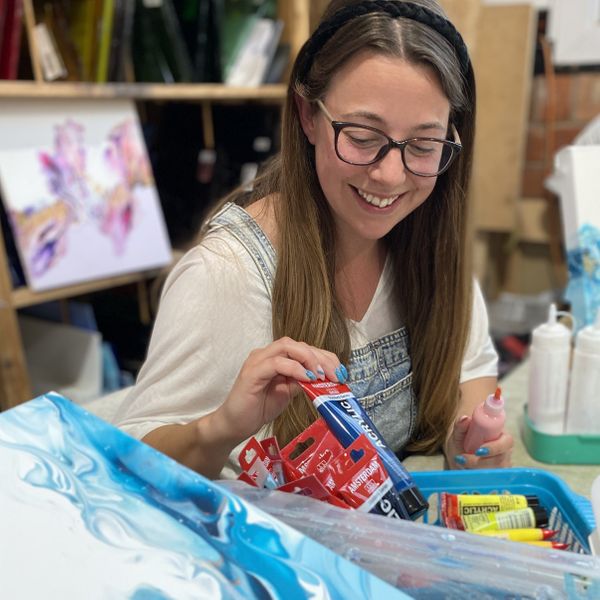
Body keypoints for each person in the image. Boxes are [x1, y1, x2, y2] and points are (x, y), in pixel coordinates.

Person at [114, 0, 514, 480]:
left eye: (423, 145)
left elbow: (469, 373)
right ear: (307, 116)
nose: (389, 176)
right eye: (363, 137)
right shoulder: (227, 273)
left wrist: (465, 437)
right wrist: (217, 428)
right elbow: (130, 461)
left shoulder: (427, 240)